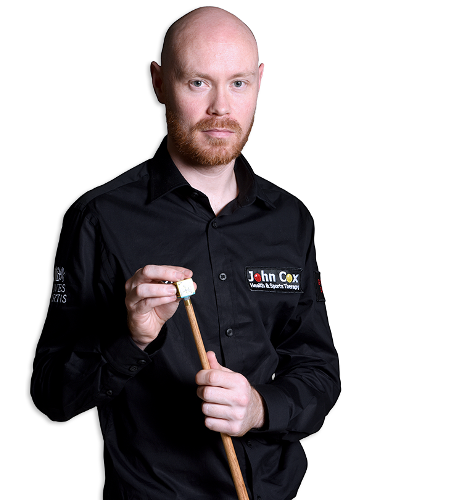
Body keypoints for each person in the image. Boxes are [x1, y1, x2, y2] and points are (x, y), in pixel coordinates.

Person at [32, 6, 340, 499]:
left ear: (259, 82)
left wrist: (260, 408)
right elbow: (52, 395)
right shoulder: (99, 218)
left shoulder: (291, 218)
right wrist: (132, 339)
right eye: (198, 83)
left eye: (238, 83)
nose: (221, 107)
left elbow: (318, 369)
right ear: (159, 83)